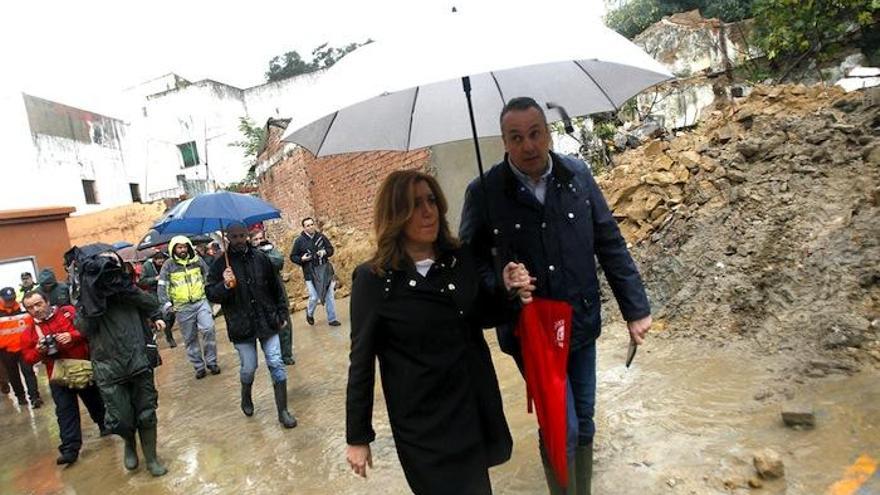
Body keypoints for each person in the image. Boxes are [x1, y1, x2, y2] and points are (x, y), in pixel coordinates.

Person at [459, 97, 653, 495]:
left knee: (583, 417)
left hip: (578, 320)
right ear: (504, 142)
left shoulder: (576, 174)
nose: (528, 146)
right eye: (517, 138)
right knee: (560, 423)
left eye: (535, 134)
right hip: (529, 330)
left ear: (548, 133)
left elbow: (609, 241)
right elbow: (468, 264)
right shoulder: (484, 191)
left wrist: (636, 309)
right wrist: (501, 279)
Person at [345, 170, 534, 494]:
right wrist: (358, 437)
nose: (428, 211)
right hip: (423, 426)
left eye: (431, 200)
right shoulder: (374, 280)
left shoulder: (459, 259)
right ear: (395, 214)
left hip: (471, 408)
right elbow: (361, 361)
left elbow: (482, 316)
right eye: (415, 204)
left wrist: (508, 290)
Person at [71, 244, 168, 476]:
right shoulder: (85, 297)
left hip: (138, 360)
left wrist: (128, 290)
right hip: (108, 367)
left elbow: (153, 305)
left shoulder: (127, 289)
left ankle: (151, 457)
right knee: (121, 418)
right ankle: (129, 443)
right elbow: (83, 329)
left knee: (146, 412)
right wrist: (92, 301)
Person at [206, 223, 297, 428]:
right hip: (241, 325)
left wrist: (282, 313)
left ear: (247, 235)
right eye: (234, 236)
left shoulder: (260, 258)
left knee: (275, 361)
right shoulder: (220, 265)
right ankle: (246, 395)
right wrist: (224, 285)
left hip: (267, 320)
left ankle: (283, 411)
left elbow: (276, 288)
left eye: (242, 235)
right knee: (249, 367)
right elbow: (211, 294)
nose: (239, 240)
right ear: (227, 237)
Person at [20, 291, 107, 465]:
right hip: (58, 375)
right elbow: (28, 358)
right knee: (65, 411)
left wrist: (71, 336)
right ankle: (70, 449)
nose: (36, 309)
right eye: (30, 307)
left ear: (47, 301)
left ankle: (106, 425)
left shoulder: (67, 312)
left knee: (95, 401)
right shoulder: (29, 331)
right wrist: (39, 350)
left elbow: (89, 329)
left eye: (38, 304)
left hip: (81, 368)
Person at [157, 237, 219, 379]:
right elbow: (162, 287)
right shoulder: (168, 266)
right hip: (182, 307)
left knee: (208, 329)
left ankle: (212, 362)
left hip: (200, 301)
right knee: (190, 338)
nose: (183, 250)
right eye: (179, 247)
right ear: (173, 249)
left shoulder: (197, 261)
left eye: (185, 247)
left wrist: (210, 294)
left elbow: (208, 277)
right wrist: (167, 305)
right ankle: (198, 366)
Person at [250, 228, 295, 365]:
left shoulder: (270, 250)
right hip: (261, 297)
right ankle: (273, 355)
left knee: (285, 325)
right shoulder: (249, 255)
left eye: (260, 238)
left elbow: (278, 262)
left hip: (277, 293)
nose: (258, 242)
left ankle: (286, 354)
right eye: (255, 239)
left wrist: (265, 254)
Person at [289, 217, 341, 327]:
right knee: (314, 296)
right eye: (307, 225)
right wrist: (302, 259)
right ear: (304, 228)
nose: (310, 227)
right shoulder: (299, 241)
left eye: (312, 224)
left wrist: (325, 252)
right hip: (309, 272)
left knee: (329, 294)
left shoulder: (321, 237)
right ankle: (309, 313)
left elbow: (331, 249)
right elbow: (293, 257)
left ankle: (332, 319)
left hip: (324, 270)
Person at [0, 286, 43, 408]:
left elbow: (33, 326)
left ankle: (35, 397)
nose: (10, 302)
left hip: (23, 348)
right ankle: (20, 397)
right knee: (13, 375)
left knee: (28, 372)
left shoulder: (24, 310)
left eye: (12, 299)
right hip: (5, 350)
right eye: (7, 300)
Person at [139, 251, 177, 348]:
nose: (161, 262)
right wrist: (155, 279)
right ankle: (170, 338)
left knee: (172, 315)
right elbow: (142, 281)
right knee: (165, 315)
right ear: (154, 260)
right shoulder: (147, 266)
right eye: (159, 261)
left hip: (167, 290)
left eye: (162, 260)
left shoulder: (166, 263)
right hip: (154, 293)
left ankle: (167, 329)